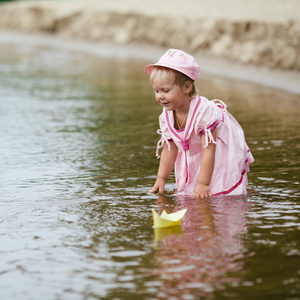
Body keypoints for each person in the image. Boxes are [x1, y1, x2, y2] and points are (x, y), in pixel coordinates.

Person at [145, 49, 254, 198]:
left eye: (165, 90)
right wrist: (161, 178)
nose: (160, 96)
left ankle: (222, 198)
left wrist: (203, 184)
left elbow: (209, 150)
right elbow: (169, 148)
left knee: (220, 186)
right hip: (195, 147)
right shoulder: (166, 116)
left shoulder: (204, 113)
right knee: (190, 193)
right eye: (156, 91)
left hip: (218, 146)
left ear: (187, 87)